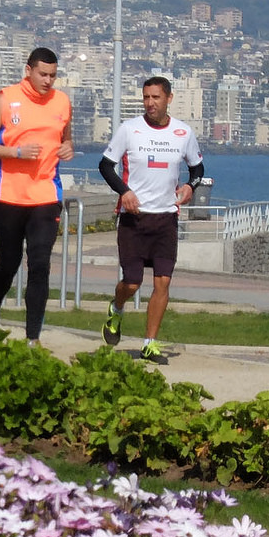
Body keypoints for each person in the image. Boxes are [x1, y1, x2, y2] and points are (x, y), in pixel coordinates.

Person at [97, 76, 205, 364]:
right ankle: (116, 309)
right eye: (146, 97)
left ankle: (149, 343)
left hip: (166, 218)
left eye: (156, 97)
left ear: (169, 98)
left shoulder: (183, 132)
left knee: (163, 282)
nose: (150, 103)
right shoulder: (129, 129)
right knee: (132, 283)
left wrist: (190, 187)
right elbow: (106, 166)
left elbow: (197, 168)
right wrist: (124, 192)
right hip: (134, 218)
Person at [0, 47, 76, 345]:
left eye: (53, 75)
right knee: (9, 263)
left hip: (46, 195)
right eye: (42, 74)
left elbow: (66, 138)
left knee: (40, 264)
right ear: (28, 70)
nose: (47, 81)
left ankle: (33, 339)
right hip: (9, 195)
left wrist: (68, 147)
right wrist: (16, 152)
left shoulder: (62, 101)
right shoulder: (6, 100)